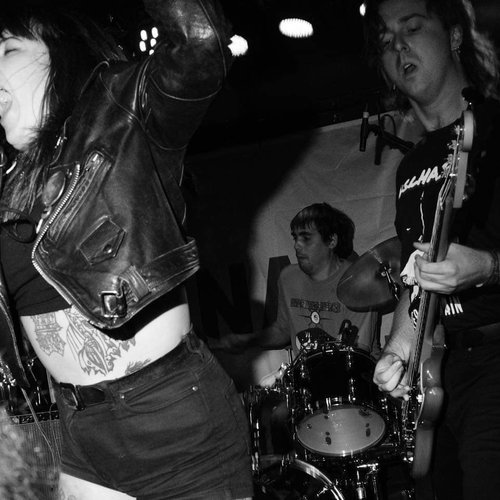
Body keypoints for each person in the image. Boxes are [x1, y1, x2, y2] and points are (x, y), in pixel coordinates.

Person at [0, 2, 253, 499]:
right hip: (77, 428)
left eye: (7, 50)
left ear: (59, 51)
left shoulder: (122, 112)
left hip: (173, 425)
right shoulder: (8, 179)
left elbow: (200, 40)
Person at [363, 1, 500, 499]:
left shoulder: (494, 128)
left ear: (455, 36)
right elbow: (415, 276)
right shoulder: (411, 165)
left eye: (413, 28)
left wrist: (488, 266)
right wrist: (399, 349)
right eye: (385, 41)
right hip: (438, 375)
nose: (398, 46)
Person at [215, 202, 380, 358]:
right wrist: (249, 340)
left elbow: (357, 352)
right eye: (295, 238)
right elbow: (282, 330)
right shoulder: (288, 277)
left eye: (306, 238)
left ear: (331, 241)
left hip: (356, 372)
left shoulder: (359, 283)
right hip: (311, 373)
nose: (296, 245)